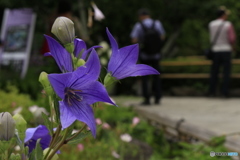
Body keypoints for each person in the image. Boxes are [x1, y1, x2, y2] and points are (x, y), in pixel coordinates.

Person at [130, 8, 165, 105]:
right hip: (156, 55)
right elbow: (162, 37)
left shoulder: (139, 25)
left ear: (141, 16)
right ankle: (158, 97)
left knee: (145, 78)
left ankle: (147, 99)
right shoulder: (157, 24)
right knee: (157, 76)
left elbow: (134, 40)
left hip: (145, 55)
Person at [208, 6, 236, 98]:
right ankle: (224, 92)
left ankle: (212, 92)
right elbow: (232, 39)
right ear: (223, 15)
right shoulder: (228, 24)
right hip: (226, 50)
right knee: (226, 72)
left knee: (214, 72)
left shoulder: (211, 24)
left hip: (215, 50)